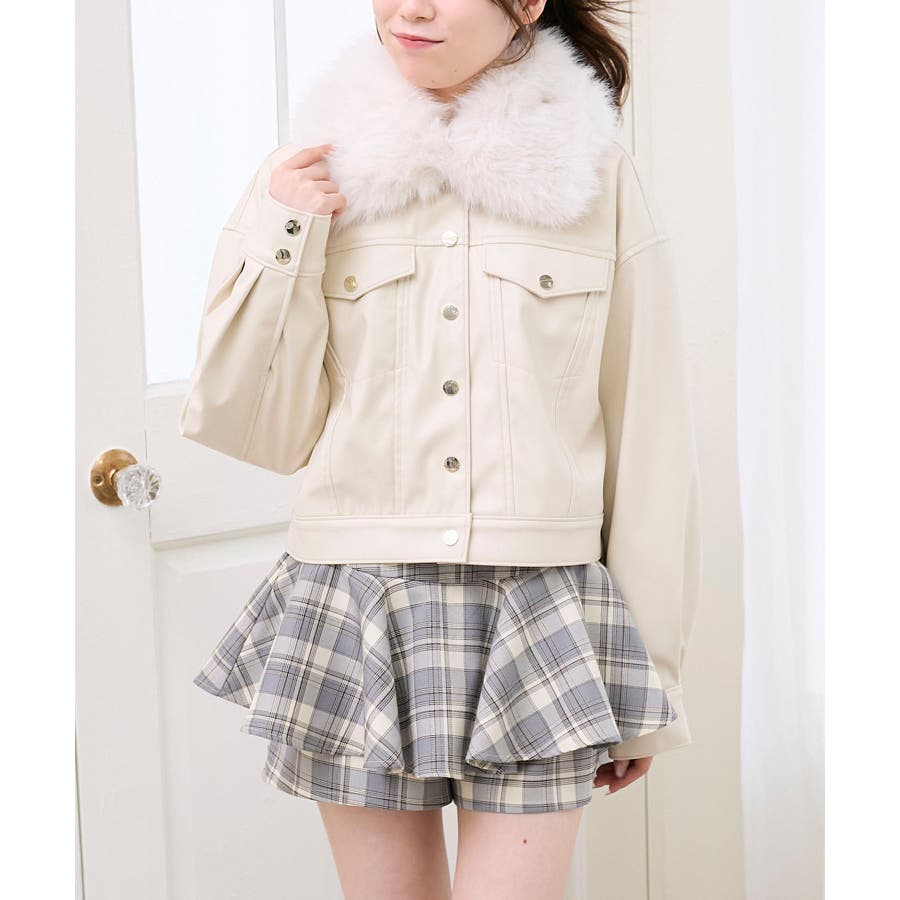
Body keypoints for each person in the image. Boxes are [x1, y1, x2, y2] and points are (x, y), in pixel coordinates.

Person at [182, 1, 703, 897]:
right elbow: (253, 426)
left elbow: (650, 437)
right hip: (358, 606)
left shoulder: (598, 176)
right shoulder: (309, 174)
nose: (410, 8)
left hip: (540, 613)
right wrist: (284, 233)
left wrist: (651, 680)